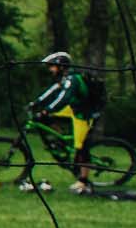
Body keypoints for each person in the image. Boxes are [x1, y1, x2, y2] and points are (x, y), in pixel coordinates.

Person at [31, 51, 102, 194]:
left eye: (52, 66)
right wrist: (36, 103)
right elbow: (52, 91)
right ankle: (62, 140)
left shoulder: (73, 79)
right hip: (75, 108)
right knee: (49, 117)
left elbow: (64, 98)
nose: (50, 70)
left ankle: (83, 180)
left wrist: (47, 110)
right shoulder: (65, 78)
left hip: (84, 113)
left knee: (81, 147)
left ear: (60, 66)